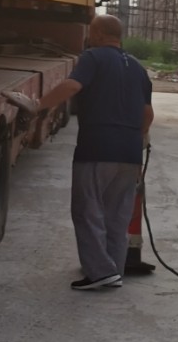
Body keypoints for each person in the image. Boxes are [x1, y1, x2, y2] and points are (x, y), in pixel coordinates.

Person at [36, 15, 154, 290]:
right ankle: (113, 270)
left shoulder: (93, 57)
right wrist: (137, 140)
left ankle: (100, 272)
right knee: (117, 216)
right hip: (129, 153)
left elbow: (72, 86)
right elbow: (147, 114)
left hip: (97, 148)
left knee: (87, 210)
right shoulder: (138, 67)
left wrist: (38, 105)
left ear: (99, 33)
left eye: (91, 32)